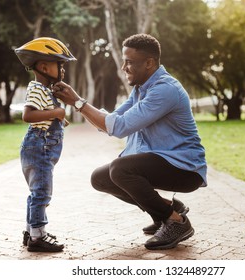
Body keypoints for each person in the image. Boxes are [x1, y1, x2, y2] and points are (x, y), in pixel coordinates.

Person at [53, 33, 207, 250]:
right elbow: (110, 121)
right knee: (100, 178)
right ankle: (169, 209)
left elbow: (119, 127)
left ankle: (176, 222)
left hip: (184, 167)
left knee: (120, 169)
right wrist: (77, 102)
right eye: (124, 62)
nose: (124, 68)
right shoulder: (140, 90)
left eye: (129, 62)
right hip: (161, 162)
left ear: (149, 63)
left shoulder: (165, 89)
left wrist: (78, 102)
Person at [14, 37, 76, 252]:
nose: (63, 70)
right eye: (61, 65)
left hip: (41, 147)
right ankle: (38, 237)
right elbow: (28, 115)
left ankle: (31, 231)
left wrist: (58, 118)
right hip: (39, 146)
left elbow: (44, 115)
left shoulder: (46, 90)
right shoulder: (38, 89)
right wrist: (58, 112)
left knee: (37, 192)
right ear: (43, 66)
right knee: (41, 193)